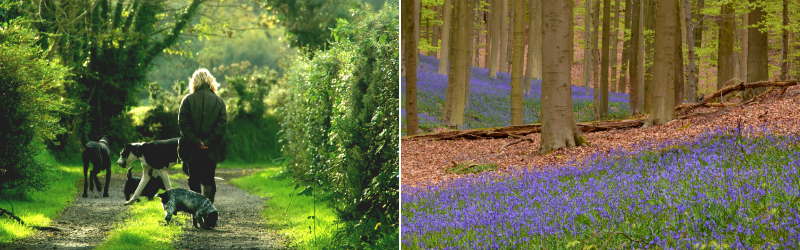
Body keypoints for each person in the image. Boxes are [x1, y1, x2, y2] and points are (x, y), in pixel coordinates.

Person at [178, 68, 227, 203]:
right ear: (210, 81)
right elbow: (222, 125)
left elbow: (183, 124)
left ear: (194, 82)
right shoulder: (219, 101)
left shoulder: (187, 100)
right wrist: (208, 142)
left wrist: (196, 141)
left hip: (191, 148)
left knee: (193, 179)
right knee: (209, 178)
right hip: (212, 148)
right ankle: (208, 211)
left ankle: (195, 212)